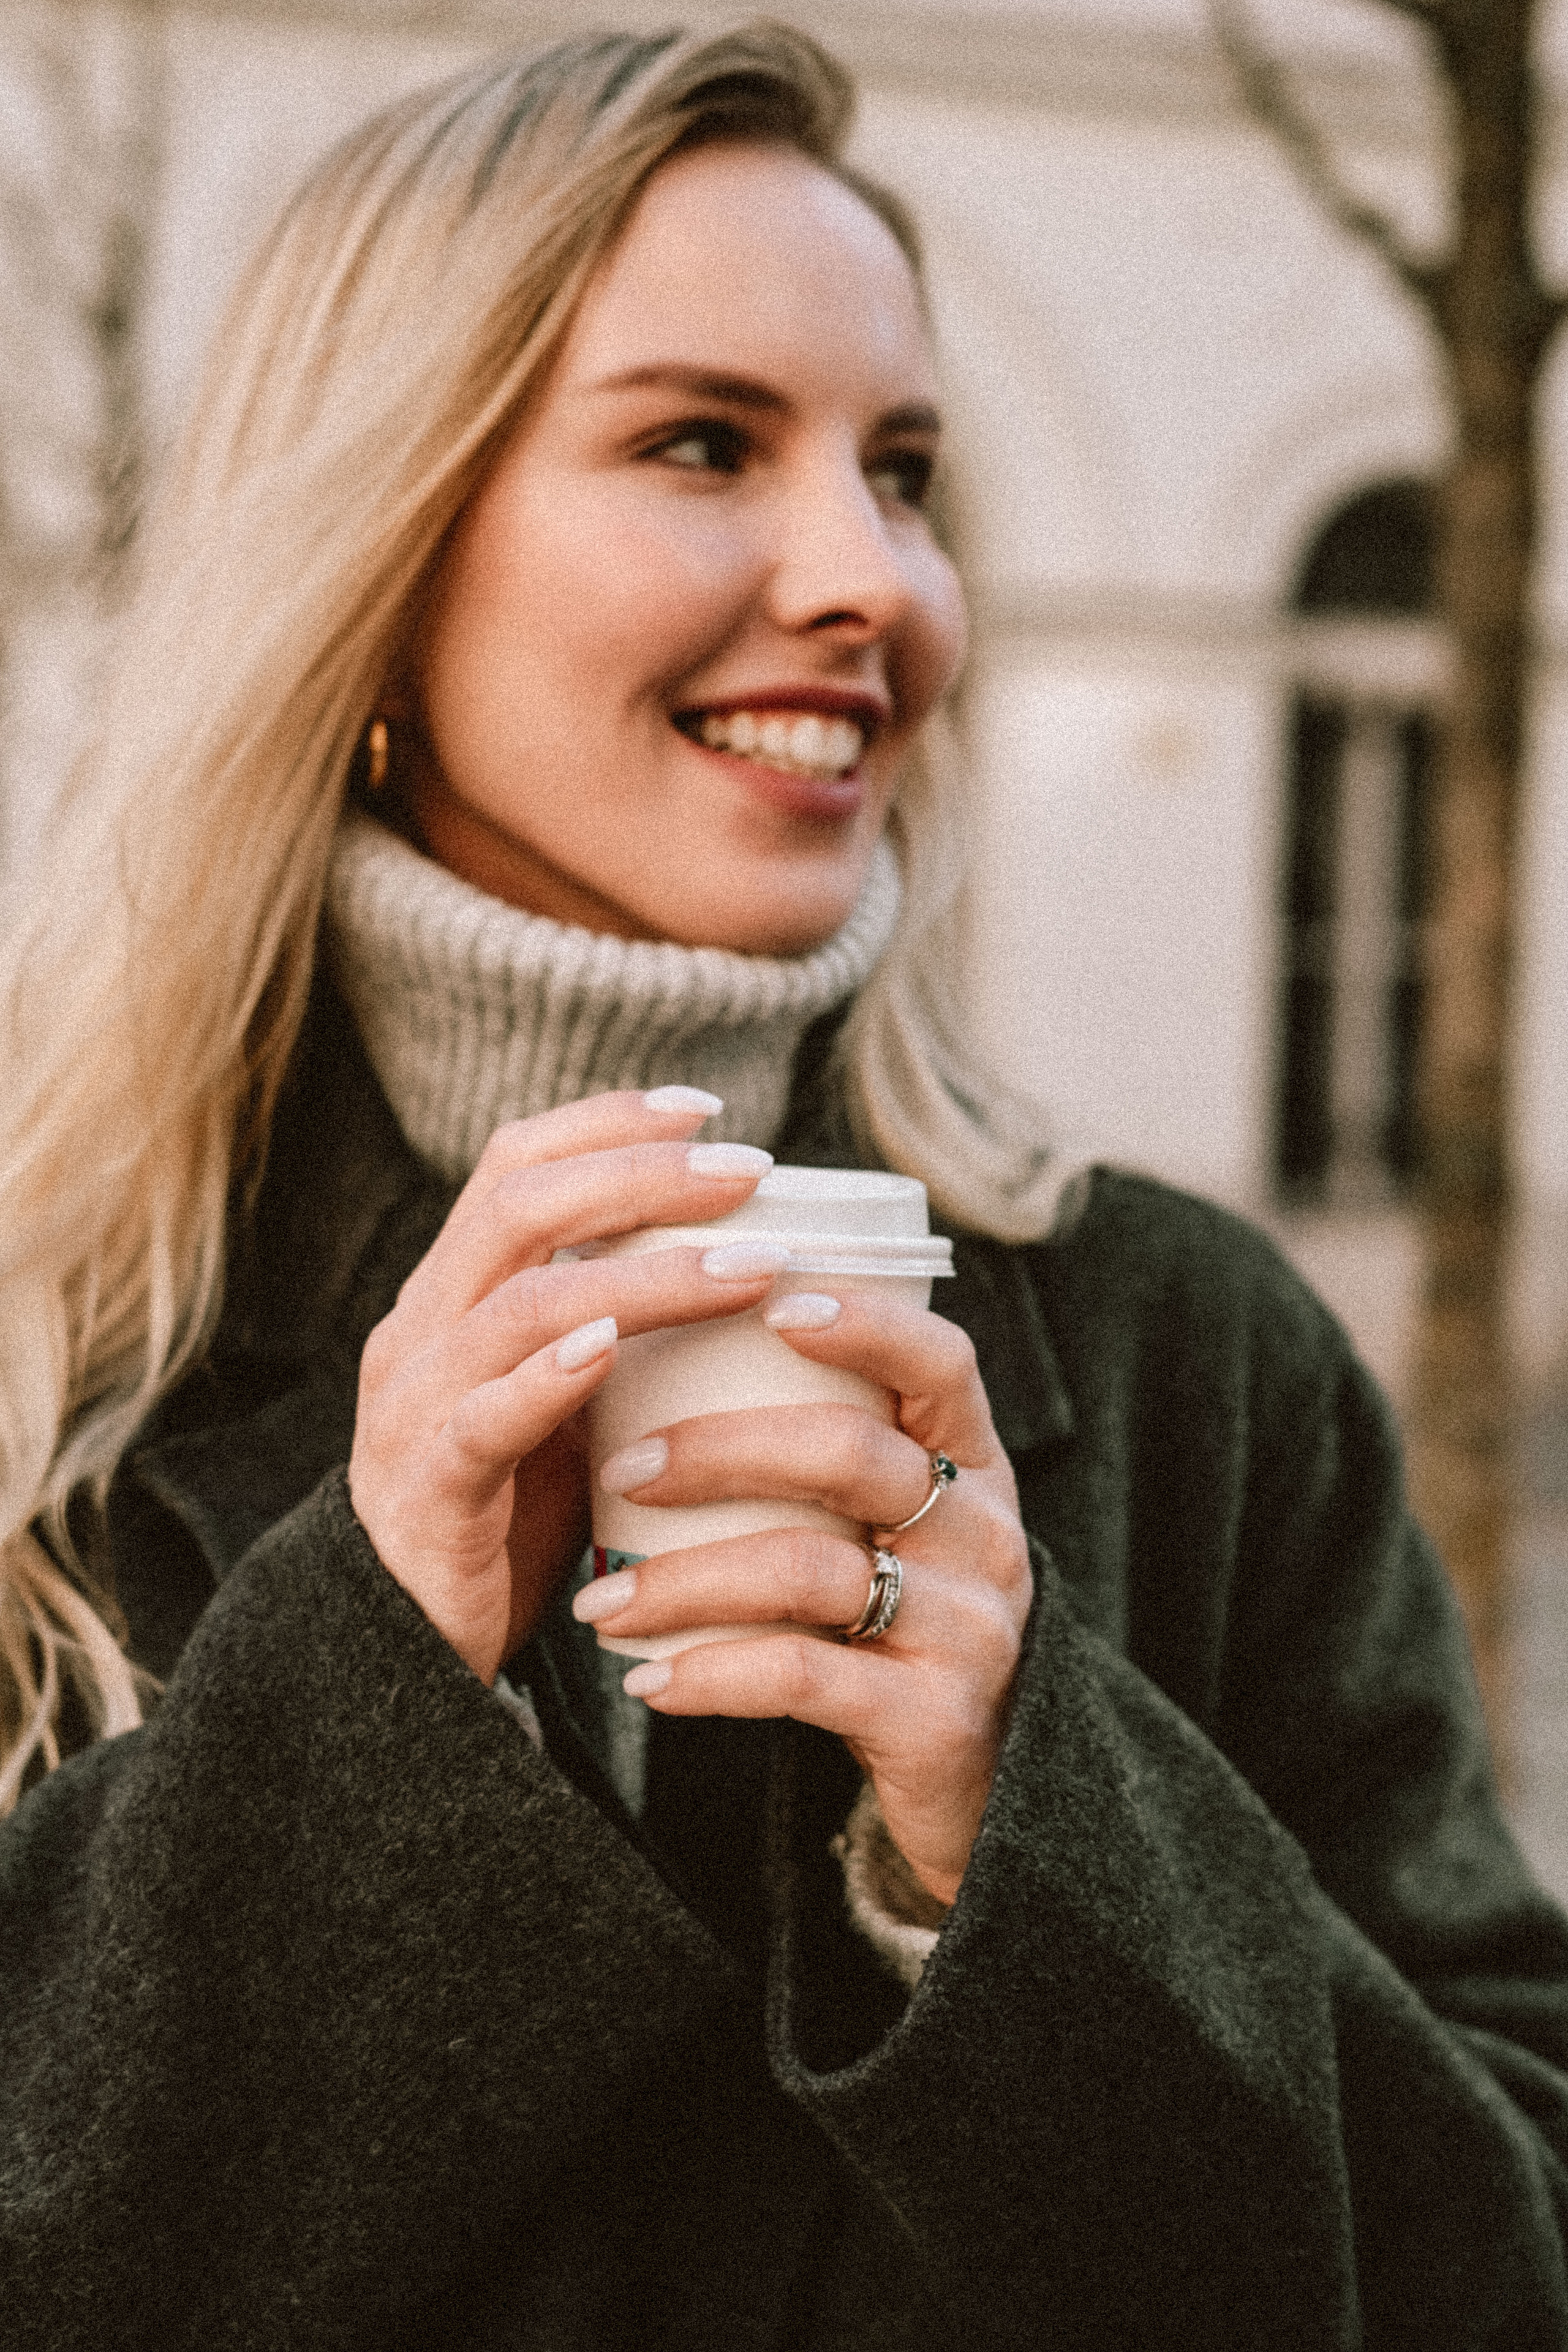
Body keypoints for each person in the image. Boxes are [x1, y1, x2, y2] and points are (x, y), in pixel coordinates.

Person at [2, 23, 1566, 2348]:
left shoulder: (1196, 1359)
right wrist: (368, 1701)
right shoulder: (57, 1354)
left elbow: (1509, 2263)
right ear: (377, 552)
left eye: (905, 469)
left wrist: (1030, 1834)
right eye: (703, 442)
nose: (873, 580)